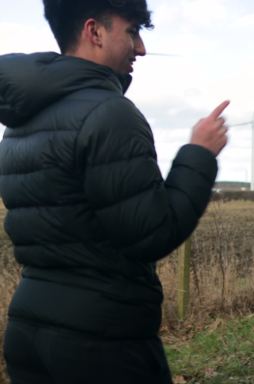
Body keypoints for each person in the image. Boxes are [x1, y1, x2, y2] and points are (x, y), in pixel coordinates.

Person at [0, 1, 229, 383]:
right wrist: (199, 154)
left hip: (29, 328)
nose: (140, 48)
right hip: (101, 341)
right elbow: (153, 232)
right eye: (133, 31)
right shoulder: (110, 113)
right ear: (95, 32)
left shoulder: (19, 124)